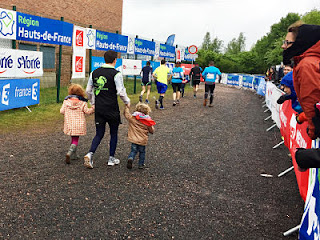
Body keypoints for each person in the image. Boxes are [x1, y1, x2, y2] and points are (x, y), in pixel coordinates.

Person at [281, 21, 320, 169]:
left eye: (287, 42)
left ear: (301, 43)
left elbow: (313, 101)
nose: (283, 46)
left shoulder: (307, 64)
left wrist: (312, 130)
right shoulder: (310, 61)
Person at [84, 50, 130, 169]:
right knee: (113, 133)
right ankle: (111, 158)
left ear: (104, 59)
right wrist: (127, 102)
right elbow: (120, 91)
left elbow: (88, 91)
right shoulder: (116, 73)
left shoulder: (94, 72)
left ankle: (90, 154)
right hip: (112, 108)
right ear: (115, 60)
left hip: (99, 108)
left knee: (99, 133)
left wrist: (92, 102)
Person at [60, 84, 95, 164]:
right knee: (75, 139)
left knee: (73, 137)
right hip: (79, 124)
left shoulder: (66, 101)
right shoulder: (82, 102)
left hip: (69, 123)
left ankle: (74, 154)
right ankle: (70, 152)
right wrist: (93, 108)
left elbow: (61, 111)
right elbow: (87, 111)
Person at [124, 103, 155, 169]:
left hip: (134, 139)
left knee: (133, 151)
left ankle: (131, 158)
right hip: (142, 140)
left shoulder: (133, 118)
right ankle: (141, 164)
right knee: (142, 152)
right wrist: (151, 129)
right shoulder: (147, 121)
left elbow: (127, 115)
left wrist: (126, 107)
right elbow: (151, 131)